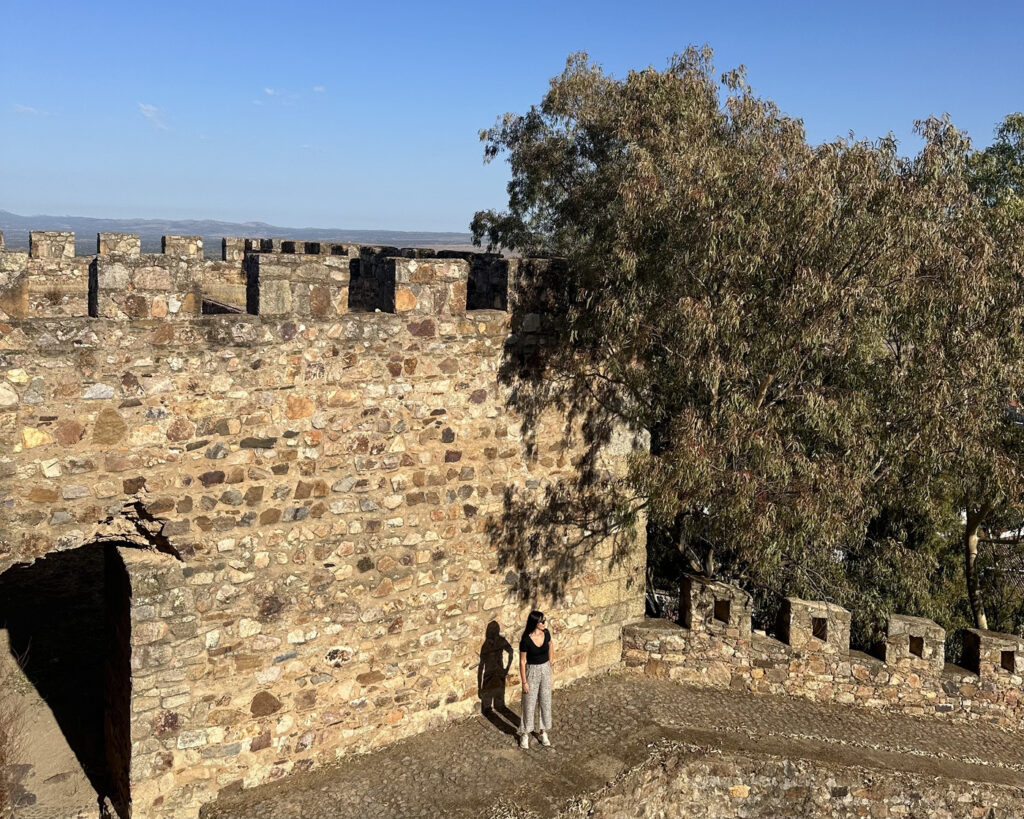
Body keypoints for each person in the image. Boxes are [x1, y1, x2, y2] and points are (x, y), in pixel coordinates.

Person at [517, 609, 553, 749]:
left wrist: (551, 661)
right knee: (529, 703)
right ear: (535, 623)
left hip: (545, 670)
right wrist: (524, 681)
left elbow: (550, 645)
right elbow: (522, 661)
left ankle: (543, 732)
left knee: (545, 700)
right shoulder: (526, 640)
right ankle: (525, 733)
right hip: (531, 671)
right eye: (542, 621)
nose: (545, 623)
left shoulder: (546, 633)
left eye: (545, 620)